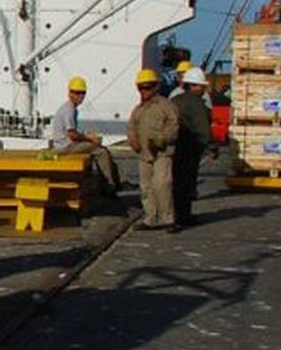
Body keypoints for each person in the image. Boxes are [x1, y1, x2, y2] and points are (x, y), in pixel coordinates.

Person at [125, 67, 179, 230]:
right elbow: (131, 127)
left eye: (147, 87)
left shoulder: (165, 105)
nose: (143, 91)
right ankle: (150, 218)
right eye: (141, 88)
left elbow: (173, 125)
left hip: (162, 152)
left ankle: (168, 218)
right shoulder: (138, 110)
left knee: (161, 184)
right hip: (144, 153)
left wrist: (162, 139)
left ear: (155, 87)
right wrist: (133, 140)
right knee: (146, 187)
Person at [49, 76, 121, 194]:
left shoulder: (69, 108)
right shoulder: (69, 110)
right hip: (65, 147)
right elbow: (72, 135)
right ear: (70, 93)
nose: (80, 96)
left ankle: (103, 183)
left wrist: (87, 137)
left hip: (64, 145)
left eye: (83, 93)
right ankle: (109, 186)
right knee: (101, 152)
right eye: (77, 93)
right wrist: (91, 139)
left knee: (96, 149)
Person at [170, 66, 214, 227]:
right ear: (194, 86)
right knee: (187, 183)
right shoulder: (196, 104)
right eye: (201, 86)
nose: (203, 89)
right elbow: (203, 128)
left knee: (176, 183)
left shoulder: (175, 100)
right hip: (190, 148)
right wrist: (212, 147)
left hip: (174, 148)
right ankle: (183, 216)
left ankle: (175, 214)